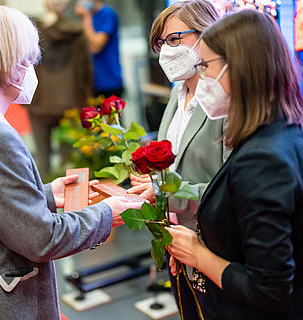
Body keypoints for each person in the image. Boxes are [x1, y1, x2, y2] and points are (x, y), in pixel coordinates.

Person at [0, 3, 144, 319]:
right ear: (5, 65)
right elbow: (42, 239)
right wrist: (107, 213)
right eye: (27, 59)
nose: (32, 67)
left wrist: (46, 194)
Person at [167, 9, 303, 319]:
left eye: (205, 66)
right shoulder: (283, 132)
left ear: (238, 68)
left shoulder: (262, 159)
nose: (200, 79)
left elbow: (268, 287)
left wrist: (199, 256)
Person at [127, 1, 226, 318]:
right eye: (160, 43)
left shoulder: (224, 100)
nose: (165, 52)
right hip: (177, 242)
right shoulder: (177, 92)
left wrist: (172, 192)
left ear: (207, 35)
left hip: (217, 248)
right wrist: (154, 183)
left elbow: (234, 186)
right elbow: (172, 165)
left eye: (173, 40)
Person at [27, 0, 93, 177]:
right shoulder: (76, 30)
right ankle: (73, 204)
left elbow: (24, 65)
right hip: (70, 102)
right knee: (69, 164)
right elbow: (84, 69)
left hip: (39, 101)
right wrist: (83, 99)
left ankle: (41, 202)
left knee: (42, 162)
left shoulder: (33, 30)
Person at [75, 0, 123, 98]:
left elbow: (96, 46)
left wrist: (86, 18)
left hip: (110, 83)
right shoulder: (91, 16)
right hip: (93, 83)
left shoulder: (107, 14)